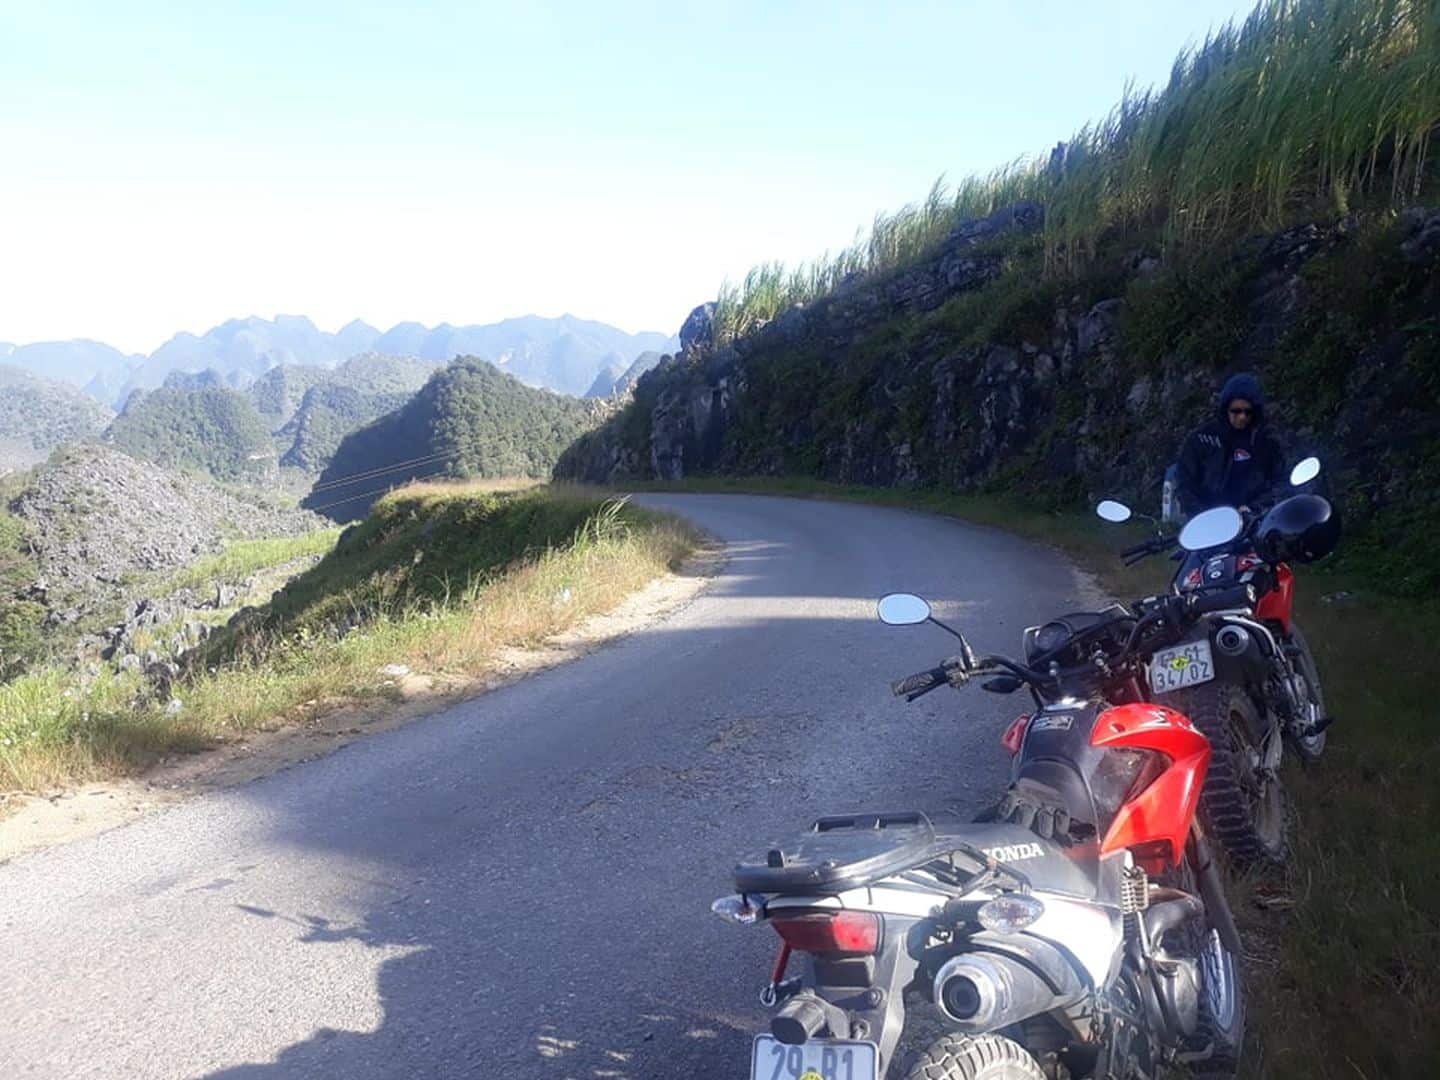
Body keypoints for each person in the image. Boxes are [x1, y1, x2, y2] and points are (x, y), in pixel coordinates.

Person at [1175, 372, 1287, 516]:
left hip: (1252, 520)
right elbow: (1184, 482)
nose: (1242, 417)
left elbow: (1280, 482)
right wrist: (1200, 515)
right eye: (1236, 411)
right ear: (1225, 408)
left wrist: (1255, 508)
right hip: (1207, 521)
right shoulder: (1202, 438)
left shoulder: (1267, 440)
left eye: (1248, 412)